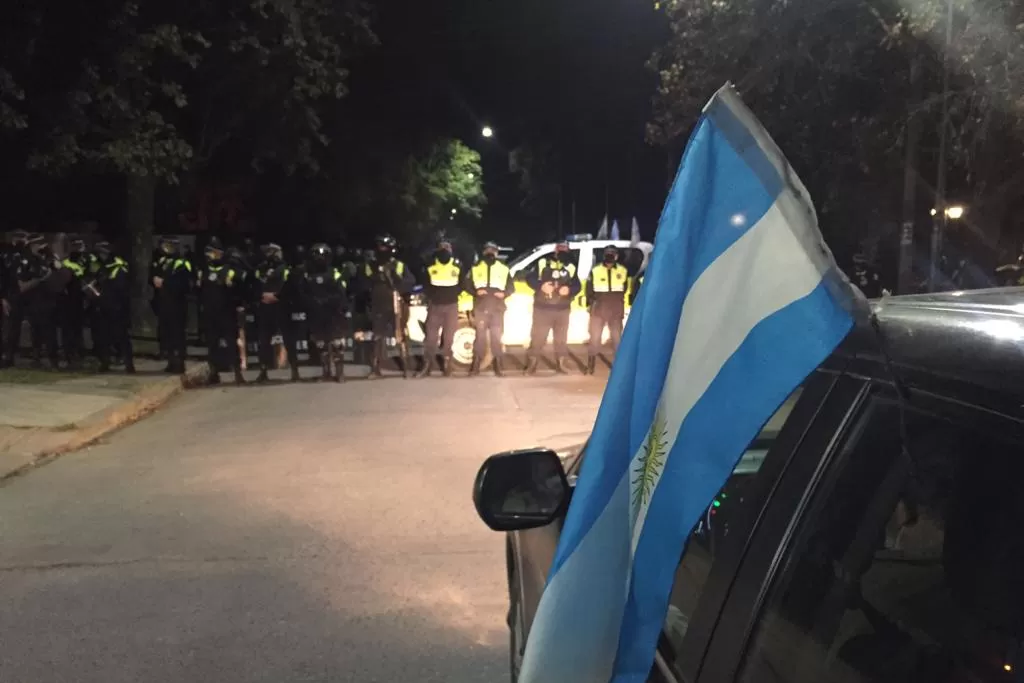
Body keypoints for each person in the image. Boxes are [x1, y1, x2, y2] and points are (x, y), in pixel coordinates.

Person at [358, 234, 414, 378]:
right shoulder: (369, 266)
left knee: (400, 335)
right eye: (379, 247)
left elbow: (409, 283)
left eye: (385, 247)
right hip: (378, 305)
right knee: (377, 336)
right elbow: (363, 284)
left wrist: (395, 277)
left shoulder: (399, 265)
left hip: (396, 304)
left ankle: (407, 367)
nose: (382, 250)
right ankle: (375, 368)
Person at [525, 241, 580, 375]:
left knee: (561, 339)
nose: (562, 252)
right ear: (555, 250)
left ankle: (561, 365)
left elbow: (577, 286)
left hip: (562, 309)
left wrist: (569, 290)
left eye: (565, 250)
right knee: (538, 338)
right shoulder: (543, 262)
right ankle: (532, 365)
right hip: (543, 309)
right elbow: (529, 278)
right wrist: (540, 286)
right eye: (560, 249)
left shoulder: (571, 267)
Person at [197, 237, 245, 385]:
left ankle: (237, 373)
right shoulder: (203, 271)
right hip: (210, 313)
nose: (210, 256)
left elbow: (240, 286)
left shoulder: (229, 270)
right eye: (208, 253)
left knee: (231, 343)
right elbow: (199, 291)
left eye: (213, 253)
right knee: (212, 344)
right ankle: (214, 373)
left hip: (227, 313)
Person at [465, 241, 514, 376]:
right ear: (483, 252)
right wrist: (475, 292)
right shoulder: (475, 268)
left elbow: (511, 287)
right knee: (480, 338)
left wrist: (504, 294)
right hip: (481, 307)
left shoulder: (503, 268)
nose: (490, 253)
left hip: (497, 308)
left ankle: (498, 366)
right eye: (488, 250)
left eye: (492, 250)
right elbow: (466, 284)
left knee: (496, 338)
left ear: (496, 253)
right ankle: (475, 366)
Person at [254, 242, 300, 383]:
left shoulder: (285, 268)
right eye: (267, 252)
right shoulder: (260, 268)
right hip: (265, 307)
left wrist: (277, 296)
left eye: (271, 252)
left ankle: (294, 370)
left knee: (288, 340)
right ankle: (263, 370)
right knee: (263, 340)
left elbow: (290, 286)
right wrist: (261, 296)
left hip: (281, 306)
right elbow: (255, 284)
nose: (268, 254)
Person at [417, 238, 462, 378]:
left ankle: (447, 365)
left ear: (451, 249)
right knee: (431, 337)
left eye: (446, 247)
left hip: (451, 305)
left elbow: (462, 284)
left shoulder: (457, 264)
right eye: (442, 247)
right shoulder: (430, 265)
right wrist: (434, 296)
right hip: (435, 305)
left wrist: (451, 295)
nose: (444, 250)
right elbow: (425, 283)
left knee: (449, 337)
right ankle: (427, 365)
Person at [88, 241, 135, 373]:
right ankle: (105, 362)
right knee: (103, 336)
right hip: (102, 305)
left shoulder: (118, 265)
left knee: (121, 336)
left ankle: (128, 363)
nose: (99, 255)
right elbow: (94, 278)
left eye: (101, 252)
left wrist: (104, 287)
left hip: (117, 305)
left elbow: (122, 286)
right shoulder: (99, 264)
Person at [305, 243, 348, 382]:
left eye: (323, 256)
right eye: (317, 256)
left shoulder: (334, 273)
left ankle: (340, 373)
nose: (320, 259)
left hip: (333, 313)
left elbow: (341, 293)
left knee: (337, 343)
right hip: (316, 313)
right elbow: (303, 292)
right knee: (321, 344)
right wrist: (312, 302)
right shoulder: (308, 275)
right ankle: (326, 372)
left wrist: (328, 301)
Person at [584, 245, 629, 374]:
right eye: (608, 253)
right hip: (599, 310)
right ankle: (590, 367)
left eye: (612, 253)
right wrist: (593, 302)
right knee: (594, 339)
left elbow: (624, 289)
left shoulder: (622, 270)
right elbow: (589, 290)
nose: (610, 256)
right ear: (604, 255)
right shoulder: (595, 270)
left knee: (617, 339)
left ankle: (619, 368)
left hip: (615, 310)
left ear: (616, 256)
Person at [152, 237, 192, 374]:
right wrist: (154, 280)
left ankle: (179, 363)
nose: (166, 248)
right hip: (163, 303)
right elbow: (152, 276)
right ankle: (170, 361)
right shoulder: (161, 261)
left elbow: (184, 284)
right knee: (166, 333)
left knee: (177, 334)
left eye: (169, 246)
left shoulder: (183, 263)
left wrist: (165, 283)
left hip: (178, 304)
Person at [58, 238, 89, 368]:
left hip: (80, 299)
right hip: (68, 300)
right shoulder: (65, 262)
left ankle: (79, 354)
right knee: (68, 329)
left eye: (80, 246)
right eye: (76, 246)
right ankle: (69, 354)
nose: (78, 249)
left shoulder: (86, 261)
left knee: (78, 329)